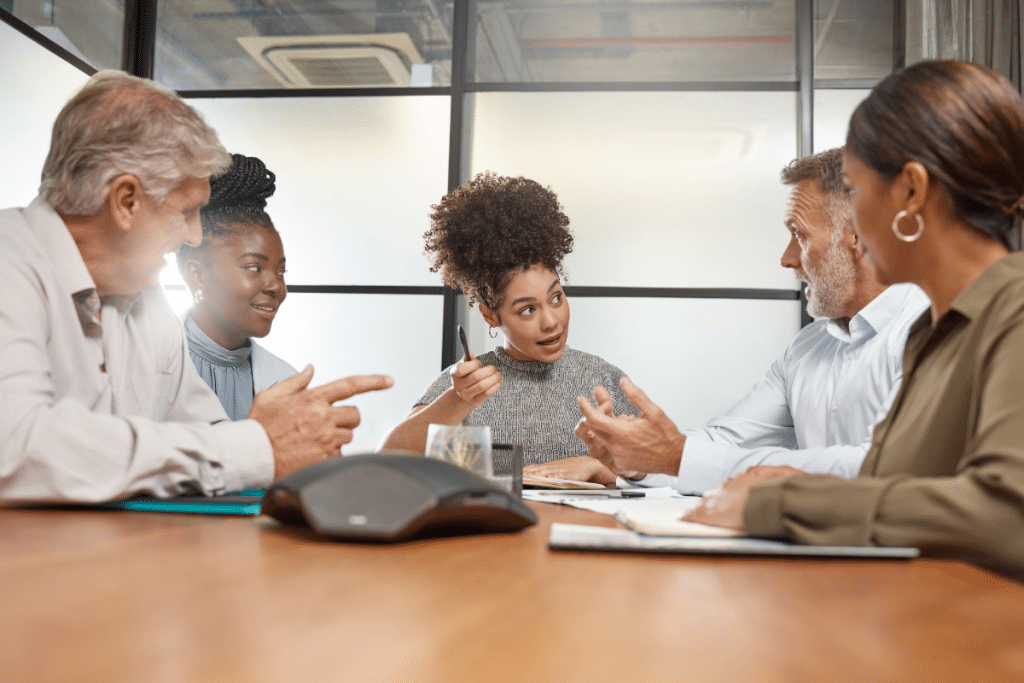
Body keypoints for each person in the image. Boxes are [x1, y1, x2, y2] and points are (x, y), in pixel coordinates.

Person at [678, 60, 1024, 579]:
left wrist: (779, 499)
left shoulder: (1013, 312)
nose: (854, 228)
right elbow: (884, 484)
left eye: (858, 193)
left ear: (910, 192)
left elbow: (1007, 517)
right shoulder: (934, 332)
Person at [0, 70, 392, 503]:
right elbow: (17, 448)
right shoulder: (9, 264)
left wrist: (280, 442)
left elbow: (207, 437)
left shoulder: (148, 305)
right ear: (126, 201)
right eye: (186, 212)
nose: (191, 237)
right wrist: (254, 445)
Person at [551, 148, 928, 493]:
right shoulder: (809, 346)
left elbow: (874, 466)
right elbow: (727, 440)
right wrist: (639, 460)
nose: (787, 258)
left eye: (800, 236)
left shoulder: (930, 333)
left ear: (858, 238)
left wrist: (676, 456)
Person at [378, 172, 639, 466]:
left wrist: (599, 469)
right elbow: (390, 461)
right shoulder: (468, 386)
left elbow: (660, 471)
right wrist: (458, 400)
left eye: (556, 298)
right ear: (491, 316)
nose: (551, 321)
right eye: (528, 309)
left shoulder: (604, 379)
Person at [176, 153, 297, 420]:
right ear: (197, 275)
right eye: (254, 268)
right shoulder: (141, 363)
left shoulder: (288, 384)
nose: (276, 287)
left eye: (281, 271)